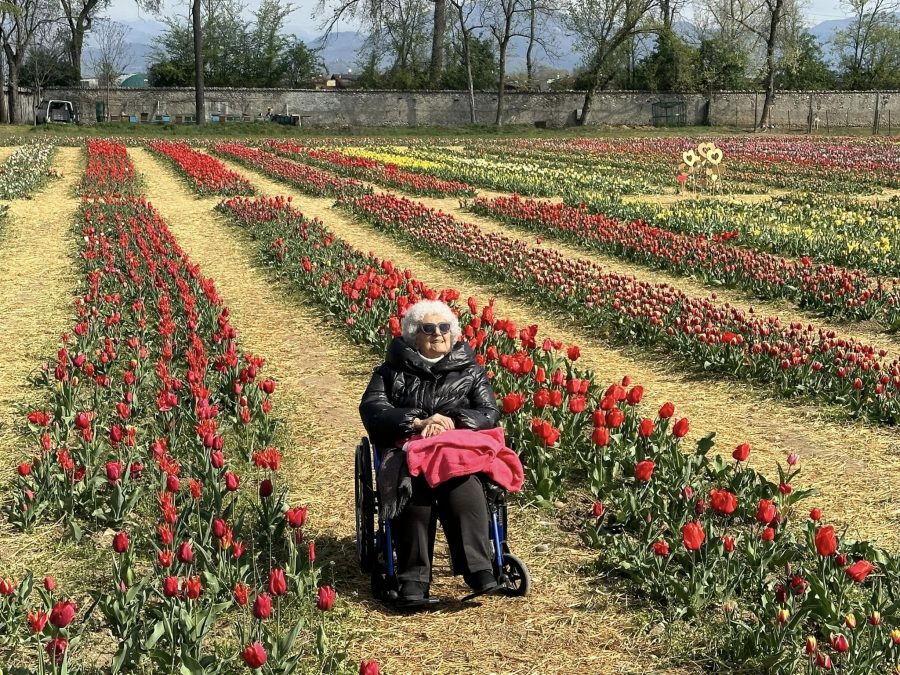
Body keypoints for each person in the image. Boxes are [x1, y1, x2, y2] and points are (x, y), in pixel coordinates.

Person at [359, 299, 500, 602]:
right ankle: (413, 578)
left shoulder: (471, 371)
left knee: (461, 484)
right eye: (429, 328)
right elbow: (373, 409)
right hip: (409, 450)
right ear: (413, 334)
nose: (438, 333)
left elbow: (488, 413)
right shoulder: (390, 371)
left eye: (444, 327)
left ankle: (478, 569)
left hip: (455, 450)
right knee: (413, 488)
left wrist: (453, 421)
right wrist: (418, 422)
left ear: (453, 333)